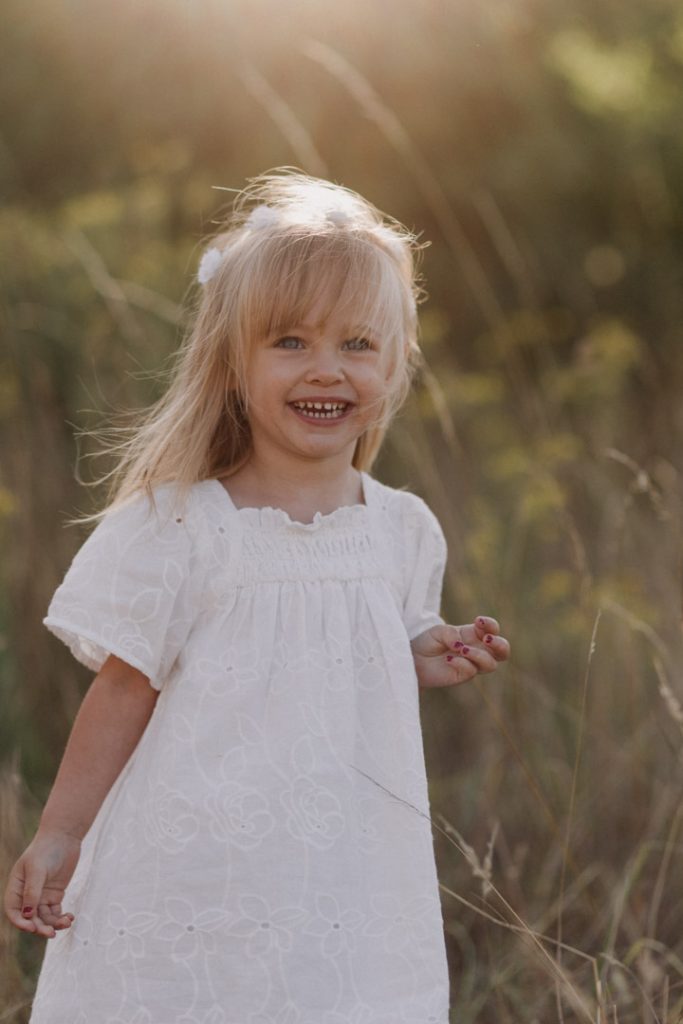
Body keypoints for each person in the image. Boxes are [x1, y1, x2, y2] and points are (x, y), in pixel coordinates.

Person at [4, 167, 510, 1023]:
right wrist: (59, 832)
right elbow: (125, 687)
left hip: (343, 872)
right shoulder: (183, 525)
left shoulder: (399, 528)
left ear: (395, 363)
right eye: (290, 343)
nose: (328, 370)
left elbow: (374, 641)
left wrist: (420, 647)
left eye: (358, 344)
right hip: (197, 865)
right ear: (232, 363)